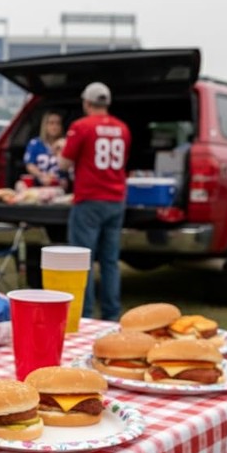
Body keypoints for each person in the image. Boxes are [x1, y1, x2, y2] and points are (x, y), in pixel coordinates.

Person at [57, 82, 132, 321]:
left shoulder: (81, 126)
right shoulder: (123, 128)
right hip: (115, 199)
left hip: (89, 199)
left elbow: (64, 164)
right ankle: (111, 314)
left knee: (82, 261)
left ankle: (85, 314)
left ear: (87, 103)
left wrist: (60, 148)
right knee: (110, 261)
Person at [23, 111, 69, 189]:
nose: (55, 127)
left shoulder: (66, 143)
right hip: (38, 182)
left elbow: (69, 167)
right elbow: (30, 165)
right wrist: (42, 176)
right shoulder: (35, 143)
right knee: (20, 185)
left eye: (58, 123)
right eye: (51, 123)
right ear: (45, 126)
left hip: (59, 183)